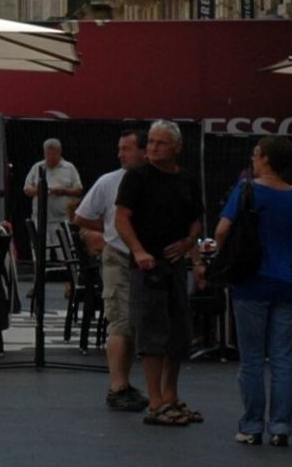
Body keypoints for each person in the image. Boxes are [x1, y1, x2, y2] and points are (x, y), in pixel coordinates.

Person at [211, 136, 292, 447]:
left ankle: (252, 424)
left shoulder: (247, 190)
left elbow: (222, 230)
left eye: (256, 154)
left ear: (266, 158)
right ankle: (281, 425)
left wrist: (223, 258)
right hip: (285, 282)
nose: (253, 159)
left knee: (252, 359)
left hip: (250, 280)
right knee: (282, 358)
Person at [114, 120, 201, 427]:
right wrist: (138, 251)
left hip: (175, 265)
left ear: (177, 147)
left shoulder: (187, 179)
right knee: (151, 331)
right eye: (150, 142)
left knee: (178, 331)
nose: (152, 148)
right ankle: (154, 400)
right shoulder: (137, 178)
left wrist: (190, 243)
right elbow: (122, 218)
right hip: (147, 266)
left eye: (160, 143)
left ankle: (170, 396)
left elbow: (196, 219)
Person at [76, 128, 148, 411]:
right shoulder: (109, 181)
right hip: (119, 256)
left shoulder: (150, 181)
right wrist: (112, 229)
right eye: (120, 148)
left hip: (145, 258)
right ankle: (117, 386)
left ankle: (126, 383)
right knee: (121, 320)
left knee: (133, 324)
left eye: (126, 149)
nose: (120, 154)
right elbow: (81, 216)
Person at [22, 138, 86, 283]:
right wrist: (41, 191)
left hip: (62, 219)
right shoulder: (37, 167)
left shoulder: (69, 168)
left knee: (66, 251)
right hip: (40, 217)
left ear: (59, 153)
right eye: (48, 155)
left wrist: (63, 191)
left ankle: (71, 283)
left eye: (53, 155)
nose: (50, 158)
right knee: (38, 252)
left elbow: (79, 190)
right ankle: (37, 283)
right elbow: (26, 189)